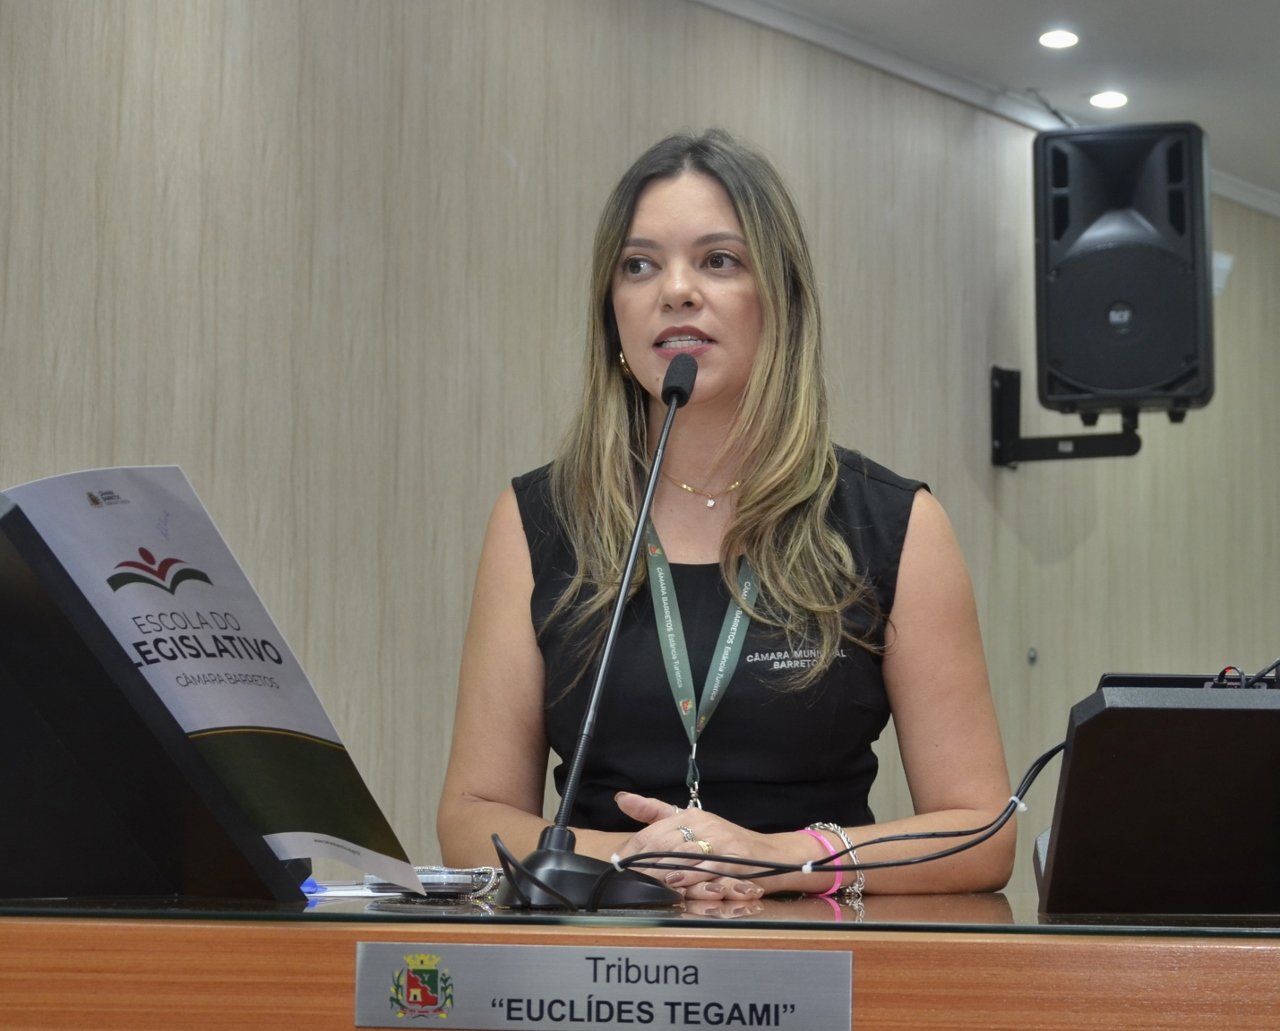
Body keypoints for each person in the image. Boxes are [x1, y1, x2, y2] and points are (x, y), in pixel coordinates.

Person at [437, 129, 1013, 901]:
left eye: (718, 260)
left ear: (780, 302)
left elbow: (980, 830)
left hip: (818, 952)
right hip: (602, 949)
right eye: (639, 265)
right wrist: (636, 859)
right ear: (612, 315)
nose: (676, 290)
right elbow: (471, 817)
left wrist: (778, 857)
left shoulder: (894, 523)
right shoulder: (538, 520)